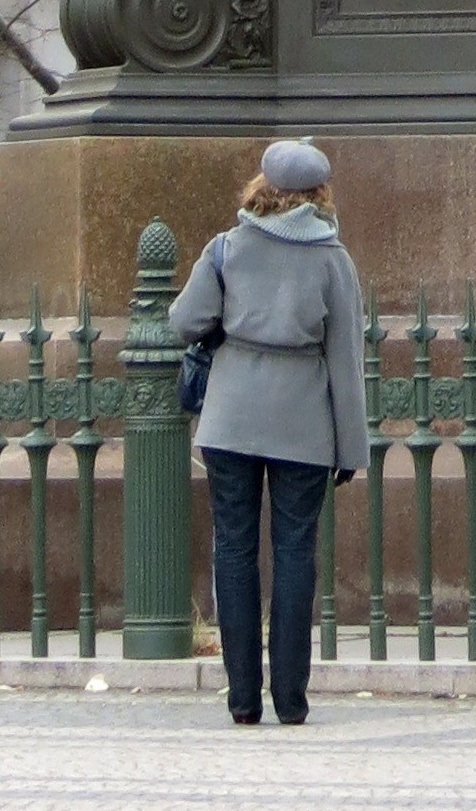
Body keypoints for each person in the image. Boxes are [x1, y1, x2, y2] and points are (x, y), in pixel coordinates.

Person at [171, 138, 364, 729]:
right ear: (319, 195)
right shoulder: (333, 259)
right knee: (295, 553)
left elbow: (183, 320)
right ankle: (292, 698)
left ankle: (242, 697)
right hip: (303, 424)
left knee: (232, 549)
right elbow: (345, 361)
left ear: (262, 187)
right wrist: (350, 447)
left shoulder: (227, 247)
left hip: (230, 419)